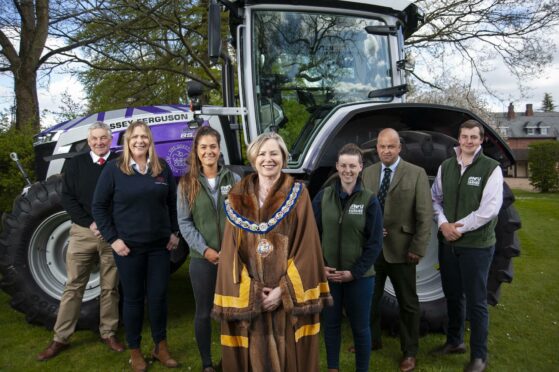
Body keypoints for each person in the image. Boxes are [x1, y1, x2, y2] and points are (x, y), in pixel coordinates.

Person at [212, 132, 332, 372]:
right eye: (262, 153)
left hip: (285, 302)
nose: (268, 159)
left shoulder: (299, 196)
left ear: (284, 159)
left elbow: (308, 250)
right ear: (254, 158)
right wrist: (254, 293)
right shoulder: (236, 198)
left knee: (290, 357)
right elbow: (230, 255)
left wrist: (282, 292)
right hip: (250, 298)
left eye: (274, 153)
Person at [92, 121, 180, 372]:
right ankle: (135, 350)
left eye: (144, 137)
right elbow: (98, 207)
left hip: (159, 248)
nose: (140, 141)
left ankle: (160, 346)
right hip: (128, 249)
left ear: (150, 141)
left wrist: (174, 232)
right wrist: (114, 239)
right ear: (127, 142)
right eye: (135, 137)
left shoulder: (161, 167)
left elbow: (173, 203)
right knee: (132, 300)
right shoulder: (113, 170)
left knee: (159, 297)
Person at [37, 122, 124, 361]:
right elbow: (68, 198)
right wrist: (89, 223)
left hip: (112, 235)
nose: (99, 142)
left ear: (110, 139)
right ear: (89, 141)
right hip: (83, 232)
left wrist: (108, 225)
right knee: (73, 286)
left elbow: (124, 198)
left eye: (103, 138)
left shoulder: (119, 163)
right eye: (94, 139)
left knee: (110, 288)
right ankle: (60, 338)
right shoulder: (76, 164)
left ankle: (108, 332)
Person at [431, 119, 503, 372]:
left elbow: (489, 210)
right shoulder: (446, 166)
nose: (469, 141)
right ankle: (454, 342)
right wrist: (442, 224)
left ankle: (479, 357)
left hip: (476, 246)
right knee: (452, 295)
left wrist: (456, 227)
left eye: (474, 137)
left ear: (481, 140)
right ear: (458, 139)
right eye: (464, 137)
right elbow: (435, 199)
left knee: (476, 301)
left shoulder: (491, 168)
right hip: (448, 243)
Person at [362, 128, 433, 372]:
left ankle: (409, 352)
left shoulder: (416, 174)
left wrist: (418, 247)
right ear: (377, 148)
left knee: (408, 303)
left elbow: (424, 215)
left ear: (399, 147)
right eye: (382, 146)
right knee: (369, 299)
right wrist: (369, 230)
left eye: (391, 146)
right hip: (373, 251)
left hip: (403, 251)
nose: (386, 151)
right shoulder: (368, 173)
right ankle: (372, 342)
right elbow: (362, 210)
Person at [312, 143, 383, 372]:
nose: (348, 170)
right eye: (343, 165)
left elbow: (374, 243)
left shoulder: (370, 200)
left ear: (360, 167)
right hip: (329, 276)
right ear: (337, 166)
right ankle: (333, 368)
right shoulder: (324, 197)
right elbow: (312, 235)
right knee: (331, 325)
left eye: (352, 165)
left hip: (360, 278)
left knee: (360, 328)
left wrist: (355, 272)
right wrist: (321, 267)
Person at [177, 126, 240, 372]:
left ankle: (230, 360)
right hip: (202, 260)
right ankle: (206, 364)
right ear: (197, 151)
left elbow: (242, 218)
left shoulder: (233, 180)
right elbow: (184, 222)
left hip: (231, 257)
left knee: (231, 312)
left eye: (212, 146)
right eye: (203, 147)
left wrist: (230, 249)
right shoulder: (186, 184)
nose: (208, 151)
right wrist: (205, 250)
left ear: (219, 148)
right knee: (203, 313)